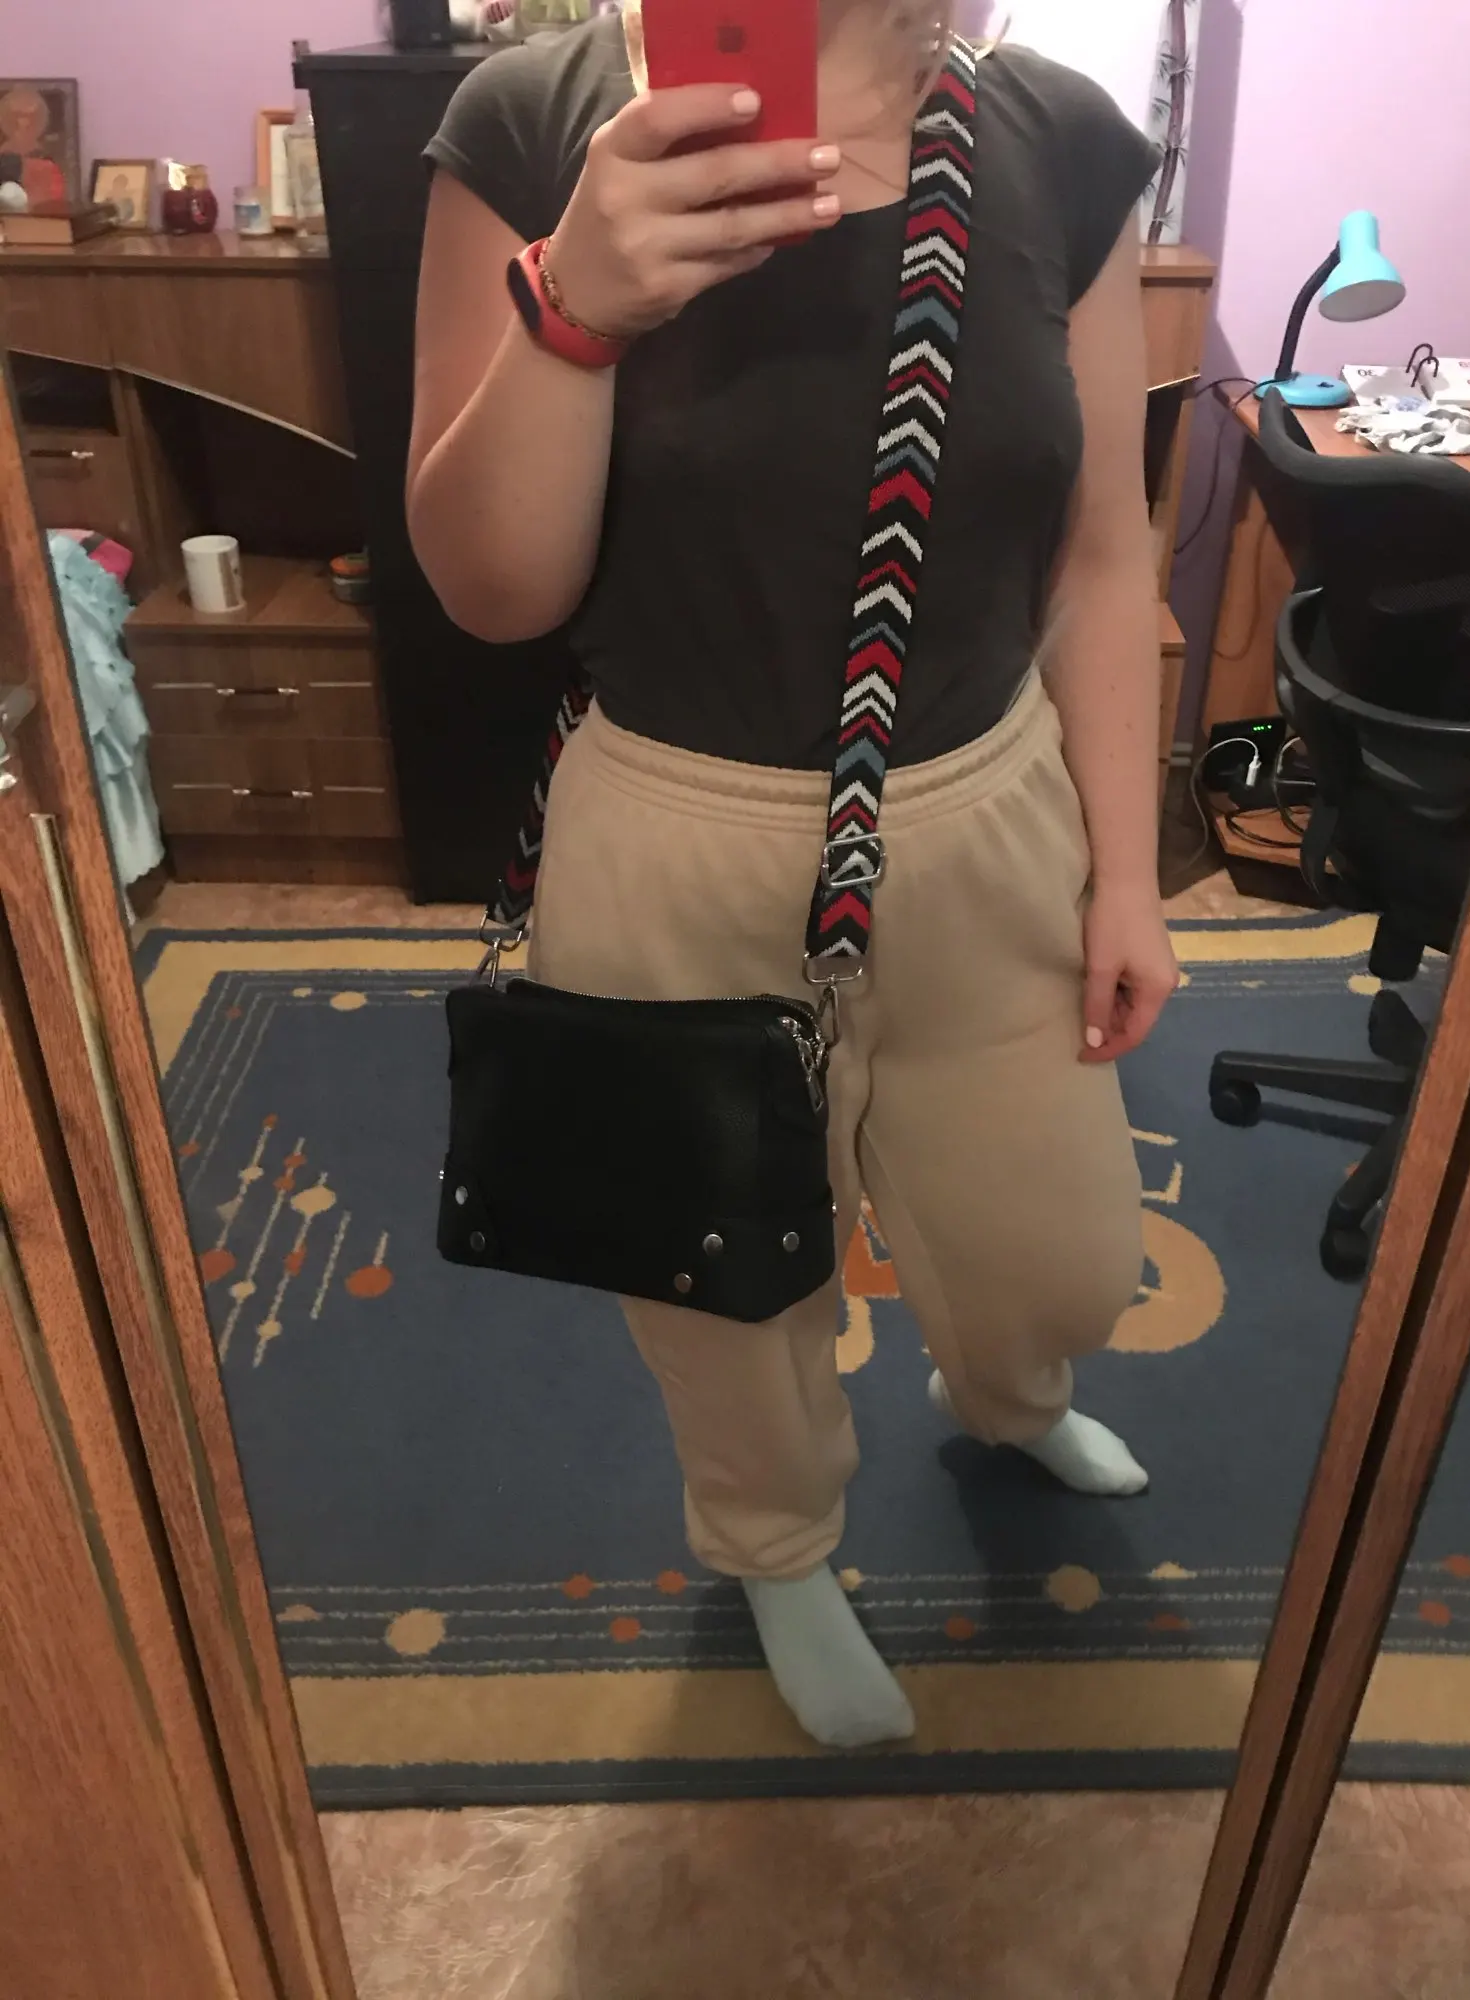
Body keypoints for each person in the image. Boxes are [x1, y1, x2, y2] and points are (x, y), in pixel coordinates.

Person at [410, 0, 1179, 1750]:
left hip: (993, 815)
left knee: (1060, 1257)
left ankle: (1008, 1394)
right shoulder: (532, 123)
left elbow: (1105, 547)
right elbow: (495, 594)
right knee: (728, 1292)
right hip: (672, 831)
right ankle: (773, 1547)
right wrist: (576, 305)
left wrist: (1128, 878)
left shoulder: (1057, 137)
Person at [0, 87, 67, 208]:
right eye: (19, 115)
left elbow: (54, 197)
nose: (23, 121)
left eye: (29, 116)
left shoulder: (45, 160)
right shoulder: (5, 151)